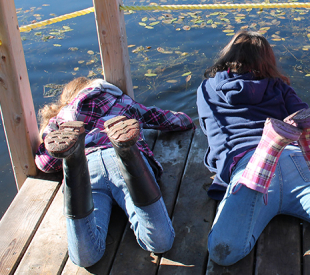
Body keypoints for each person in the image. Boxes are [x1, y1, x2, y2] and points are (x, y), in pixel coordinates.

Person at [197, 31, 310, 266]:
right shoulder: (278, 86)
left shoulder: (207, 89)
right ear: (267, 62)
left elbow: (211, 132)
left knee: (223, 253)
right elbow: (308, 119)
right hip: (295, 158)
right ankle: (308, 144)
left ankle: (267, 149)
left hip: (249, 166)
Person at [35, 77, 194, 267]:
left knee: (86, 258)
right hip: (120, 162)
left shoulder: (61, 118)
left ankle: (73, 162)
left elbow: (45, 163)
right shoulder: (120, 102)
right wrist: (185, 118)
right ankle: (129, 154)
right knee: (160, 243)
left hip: (87, 166)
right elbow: (174, 121)